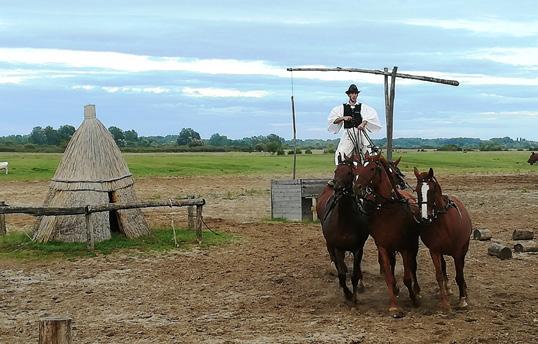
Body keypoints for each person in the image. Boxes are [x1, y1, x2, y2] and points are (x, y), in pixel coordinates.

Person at [328, 84, 381, 165]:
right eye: (352, 93)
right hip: (348, 133)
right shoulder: (342, 108)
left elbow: (370, 117)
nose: (354, 95)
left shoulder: (362, 107)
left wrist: (363, 123)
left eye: (355, 93)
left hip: (360, 132)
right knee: (341, 153)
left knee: (370, 152)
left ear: (357, 94)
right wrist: (343, 118)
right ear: (349, 94)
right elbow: (334, 120)